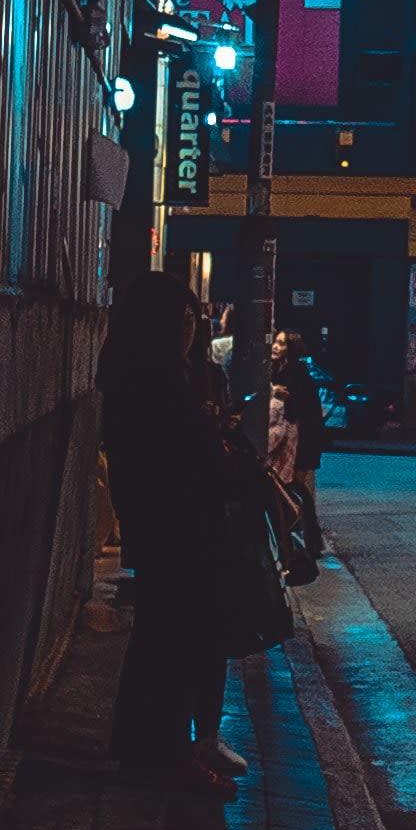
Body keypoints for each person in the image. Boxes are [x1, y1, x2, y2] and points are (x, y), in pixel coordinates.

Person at [100, 272, 247, 794]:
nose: (189, 331)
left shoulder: (145, 377)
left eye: (193, 321)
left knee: (162, 639)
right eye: (180, 321)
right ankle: (163, 754)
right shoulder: (156, 386)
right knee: (171, 642)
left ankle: (152, 749)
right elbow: (193, 462)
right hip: (178, 531)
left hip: (167, 530)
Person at [266, 328, 326, 572]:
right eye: (276, 342)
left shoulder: (295, 373)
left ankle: (308, 540)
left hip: (299, 442)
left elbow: (303, 414)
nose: (276, 346)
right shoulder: (279, 370)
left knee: (296, 490)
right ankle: (309, 540)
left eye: (281, 343)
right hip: (294, 440)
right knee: (294, 490)